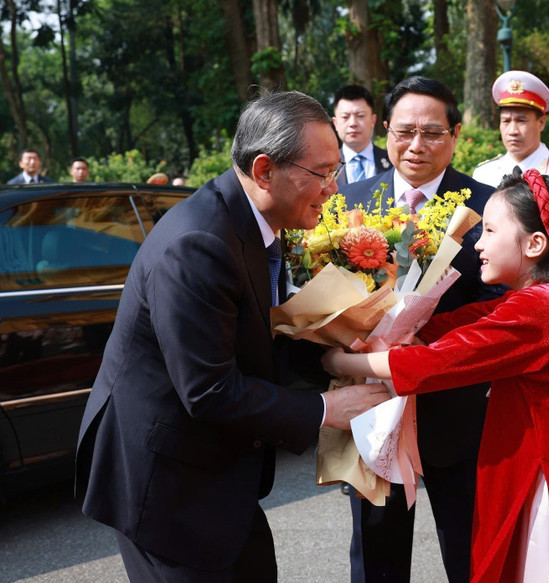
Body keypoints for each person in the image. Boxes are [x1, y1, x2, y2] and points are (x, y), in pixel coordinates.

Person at [74, 91, 390, 582]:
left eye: (337, 171)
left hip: (217, 476)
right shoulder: (198, 245)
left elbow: (254, 331)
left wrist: (335, 358)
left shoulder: (257, 219)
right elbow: (209, 390)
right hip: (166, 482)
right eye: (322, 173)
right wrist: (329, 409)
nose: (334, 188)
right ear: (265, 170)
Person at [324, 170, 549, 583]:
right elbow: (448, 328)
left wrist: (338, 361)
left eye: (489, 230)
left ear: (535, 243)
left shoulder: (543, 308)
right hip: (548, 479)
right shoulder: (538, 300)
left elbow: (435, 363)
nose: (479, 243)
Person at [339, 76, 498, 583]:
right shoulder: (347, 199)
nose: (416, 145)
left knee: (471, 550)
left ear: (456, 134)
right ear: (386, 130)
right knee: (376, 553)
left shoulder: (488, 205)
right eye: (405, 131)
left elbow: (501, 302)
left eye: (432, 132)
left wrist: (423, 344)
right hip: (372, 407)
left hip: (457, 406)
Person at [473, 70, 549, 260]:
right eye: (506, 121)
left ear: (542, 122)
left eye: (521, 120)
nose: (512, 130)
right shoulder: (483, 174)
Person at [332, 84, 391, 186]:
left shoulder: (392, 161)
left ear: (373, 120)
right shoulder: (326, 167)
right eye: (345, 117)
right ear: (335, 123)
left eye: (360, 116)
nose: (353, 123)